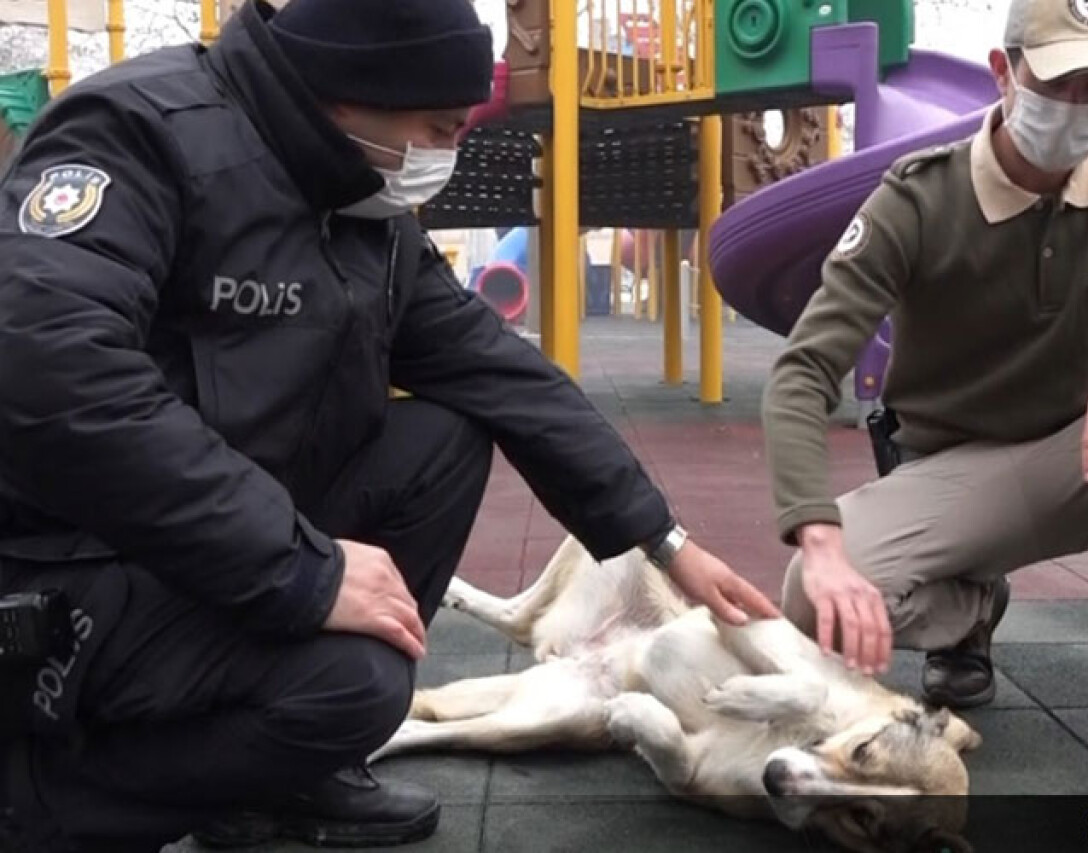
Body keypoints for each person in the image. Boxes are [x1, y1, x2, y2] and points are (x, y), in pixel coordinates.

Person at [0, 1, 779, 850]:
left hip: (214, 542)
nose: (445, 156)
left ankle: (274, 774)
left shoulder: (363, 209)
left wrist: (665, 542)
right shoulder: (137, 130)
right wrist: (307, 569)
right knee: (359, 688)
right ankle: (50, 797)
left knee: (445, 438)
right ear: (348, 97)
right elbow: (48, 366)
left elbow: (504, 372)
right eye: (439, 128)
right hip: (65, 560)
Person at [763, 0, 1088, 772]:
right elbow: (804, 371)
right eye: (1058, 82)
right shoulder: (917, 199)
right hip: (955, 470)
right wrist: (820, 536)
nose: (1076, 109)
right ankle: (969, 603)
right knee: (813, 593)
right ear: (1004, 73)